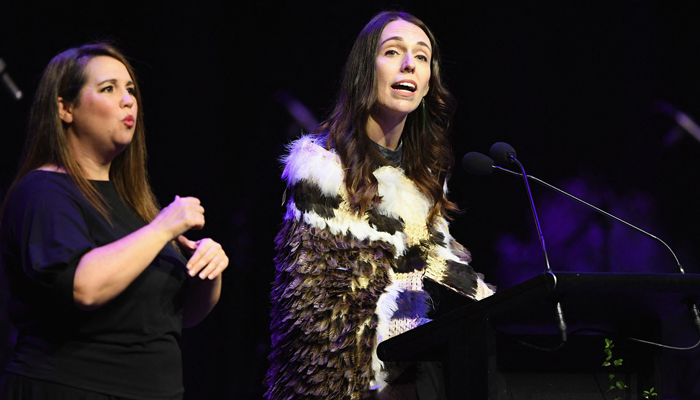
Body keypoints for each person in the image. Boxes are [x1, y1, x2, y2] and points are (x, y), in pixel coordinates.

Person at [266, 11, 495, 400]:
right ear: (364, 71)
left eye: (421, 56)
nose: (409, 63)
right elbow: (319, 315)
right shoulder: (322, 172)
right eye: (393, 51)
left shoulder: (423, 183)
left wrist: (499, 311)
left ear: (428, 84)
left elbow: (436, 269)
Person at [0, 43, 228, 399]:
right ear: (65, 108)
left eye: (131, 90)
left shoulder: (134, 203)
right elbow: (83, 288)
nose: (128, 101)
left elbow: (179, 316)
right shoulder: (44, 192)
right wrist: (161, 229)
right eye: (108, 88)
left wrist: (207, 270)